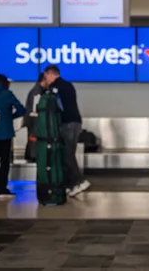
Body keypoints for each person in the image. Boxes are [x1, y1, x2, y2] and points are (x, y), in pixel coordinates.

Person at [43, 65, 90, 197]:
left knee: (66, 154)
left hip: (67, 123)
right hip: (76, 122)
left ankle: (80, 181)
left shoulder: (54, 88)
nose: (46, 79)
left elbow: (54, 107)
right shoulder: (69, 85)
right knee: (68, 153)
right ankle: (70, 184)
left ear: (51, 74)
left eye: (46, 76)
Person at [22, 73, 48, 163]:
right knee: (34, 139)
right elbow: (34, 110)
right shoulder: (37, 92)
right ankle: (33, 156)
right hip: (35, 122)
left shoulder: (38, 91)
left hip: (33, 121)